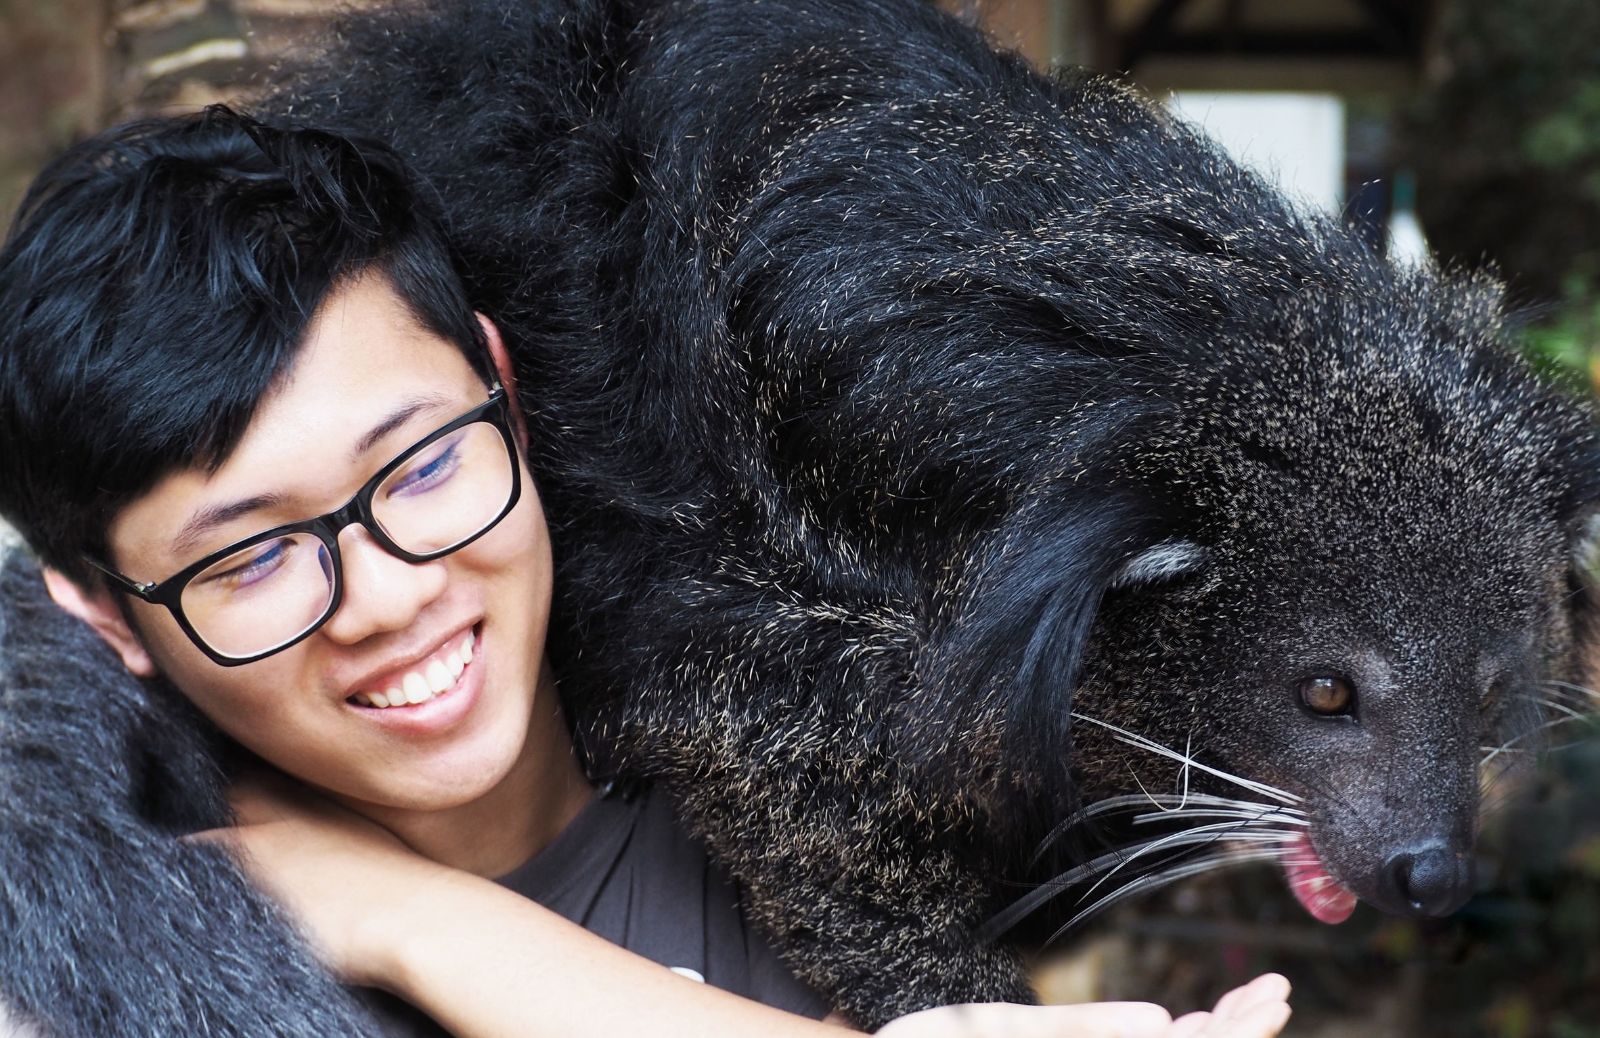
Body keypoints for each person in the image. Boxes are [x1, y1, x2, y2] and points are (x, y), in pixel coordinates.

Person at [0, 105, 1291, 1038]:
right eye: (256, 552)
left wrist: (412, 915)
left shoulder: (826, 777)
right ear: (102, 612)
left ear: (502, 389)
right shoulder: (82, 963)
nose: (390, 594)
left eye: (424, 468)